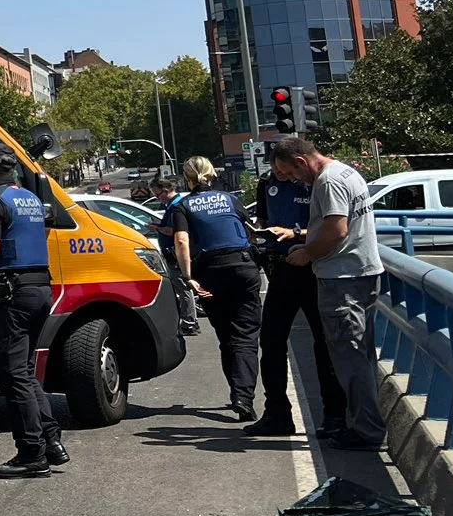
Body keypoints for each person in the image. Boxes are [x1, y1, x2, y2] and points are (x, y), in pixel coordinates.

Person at [0, 139, 65, 478]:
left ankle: (31, 453)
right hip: (39, 290)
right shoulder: (29, 198)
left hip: (11, 295)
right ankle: (50, 441)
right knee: (26, 370)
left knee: (12, 373)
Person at [278, 137, 387, 451]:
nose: (294, 179)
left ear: (301, 161)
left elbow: (337, 230)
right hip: (361, 274)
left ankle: (369, 432)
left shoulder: (327, 182)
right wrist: (308, 239)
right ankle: (367, 426)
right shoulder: (346, 172)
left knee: (350, 358)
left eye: (291, 173)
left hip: (342, 281)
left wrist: (308, 254)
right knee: (361, 356)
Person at [246, 154, 346, 437]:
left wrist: (295, 233)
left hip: (312, 264)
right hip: (281, 266)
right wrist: (260, 233)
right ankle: (277, 413)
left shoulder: (315, 182)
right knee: (271, 339)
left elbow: (330, 226)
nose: (282, 176)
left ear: (297, 165)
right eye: (277, 171)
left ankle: (335, 415)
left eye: (285, 171)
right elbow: (264, 217)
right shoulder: (266, 183)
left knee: (323, 343)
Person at [163, 157, 263, 422]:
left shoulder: (182, 206)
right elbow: (251, 230)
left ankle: (237, 392)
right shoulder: (229, 199)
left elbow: (181, 240)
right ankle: (243, 396)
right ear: (211, 174)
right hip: (242, 269)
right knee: (246, 334)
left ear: (188, 178)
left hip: (209, 274)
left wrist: (187, 276)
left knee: (226, 334)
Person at [148, 178, 201, 336]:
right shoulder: (173, 205)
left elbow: (174, 231)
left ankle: (190, 322)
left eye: (158, 195)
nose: (158, 199)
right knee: (182, 287)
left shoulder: (175, 206)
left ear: (165, 190)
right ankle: (189, 320)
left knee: (183, 287)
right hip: (173, 252)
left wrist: (157, 227)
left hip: (175, 253)